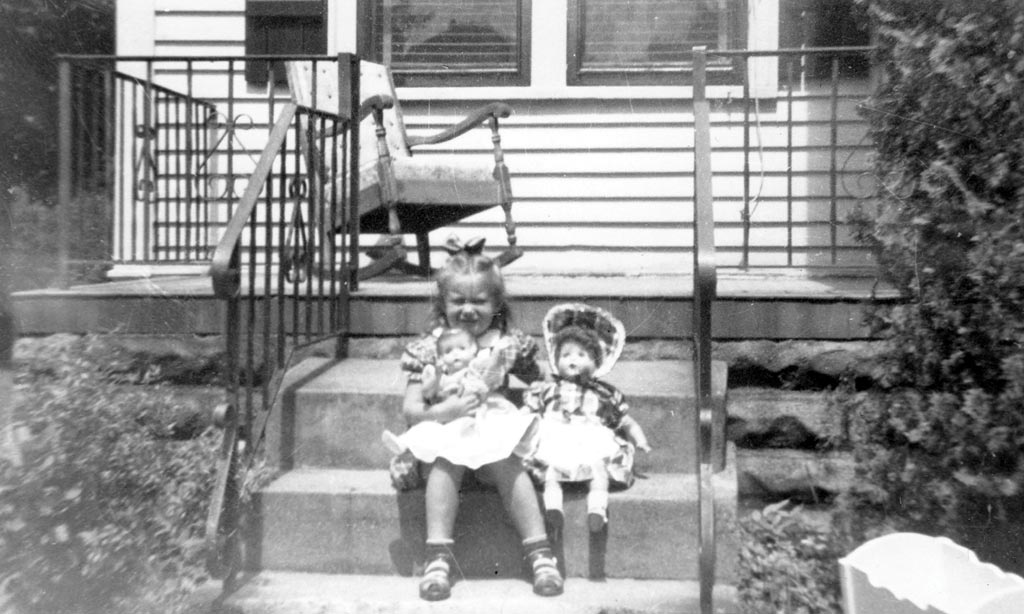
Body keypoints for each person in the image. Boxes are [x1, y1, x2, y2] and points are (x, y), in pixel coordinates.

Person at [388, 236, 563, 601]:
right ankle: (438, 556)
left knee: (507, 462)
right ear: (443, 303)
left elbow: (539, 378)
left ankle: (540, 553)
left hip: (493, 423)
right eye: (458, 301)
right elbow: (411, 409)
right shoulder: (430, 347)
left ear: (496, 304)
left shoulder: (507, 342)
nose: (469, 309)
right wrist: (444, 411)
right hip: (448, 425)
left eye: (479, 301)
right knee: (445, 464)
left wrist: (543, 390)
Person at [523, 304, 652, 534]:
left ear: (596, 363)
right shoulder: (547, 390)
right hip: (557, 437)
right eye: (566, 355)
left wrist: (640, 440)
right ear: (555, 359)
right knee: (551, 472)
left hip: (591, 438)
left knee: (598, 471)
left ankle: (597, 509)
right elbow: (529, 411)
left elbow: (626, 421)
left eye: (581, 355)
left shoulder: (603, 394)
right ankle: (553, 509)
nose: (572, 361)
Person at [382, 327, 532, 466]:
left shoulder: (476, 366)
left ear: (473, 349)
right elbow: (426, 394)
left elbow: (489, 376)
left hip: (480, 416)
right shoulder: (444, 377)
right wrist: (433, 382)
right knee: (428, 431)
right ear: (440, 357)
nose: (455, 354)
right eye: (448, 351)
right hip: (451, 422)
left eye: (461, 349)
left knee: (499, 438)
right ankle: (402, 442)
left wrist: (495, 358)